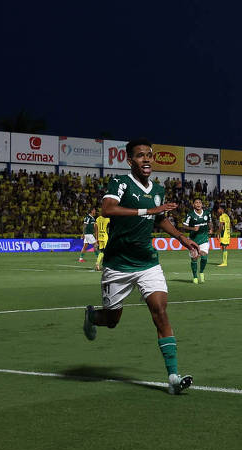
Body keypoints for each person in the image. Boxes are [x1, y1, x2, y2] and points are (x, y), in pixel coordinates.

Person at [82, 138, 198, 395]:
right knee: (112, 320)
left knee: (160, 311)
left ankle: (173, 377)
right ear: (130, 160)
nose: (146, 159)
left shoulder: (158, 189)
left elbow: (161, 219)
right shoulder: (120, 183)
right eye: (140, 155)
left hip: (147, 263)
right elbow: (107, 210)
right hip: (118, 264)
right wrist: (148, 210)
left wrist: (181, 237)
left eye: (149, 155)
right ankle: (92, 315)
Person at [183, 198, 213, 283]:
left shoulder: (207, 213)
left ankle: (201, 272)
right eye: (196, 202)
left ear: (202, 204)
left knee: (204, 257)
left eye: (200, 202)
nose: (198, 204)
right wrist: (193, 228)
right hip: (193, 240)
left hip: (204, 239)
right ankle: (195, 277)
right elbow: (184, 226)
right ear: (193, 205)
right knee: (194, 258)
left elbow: (210, 222)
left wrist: (211, 229)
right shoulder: (190, 215)